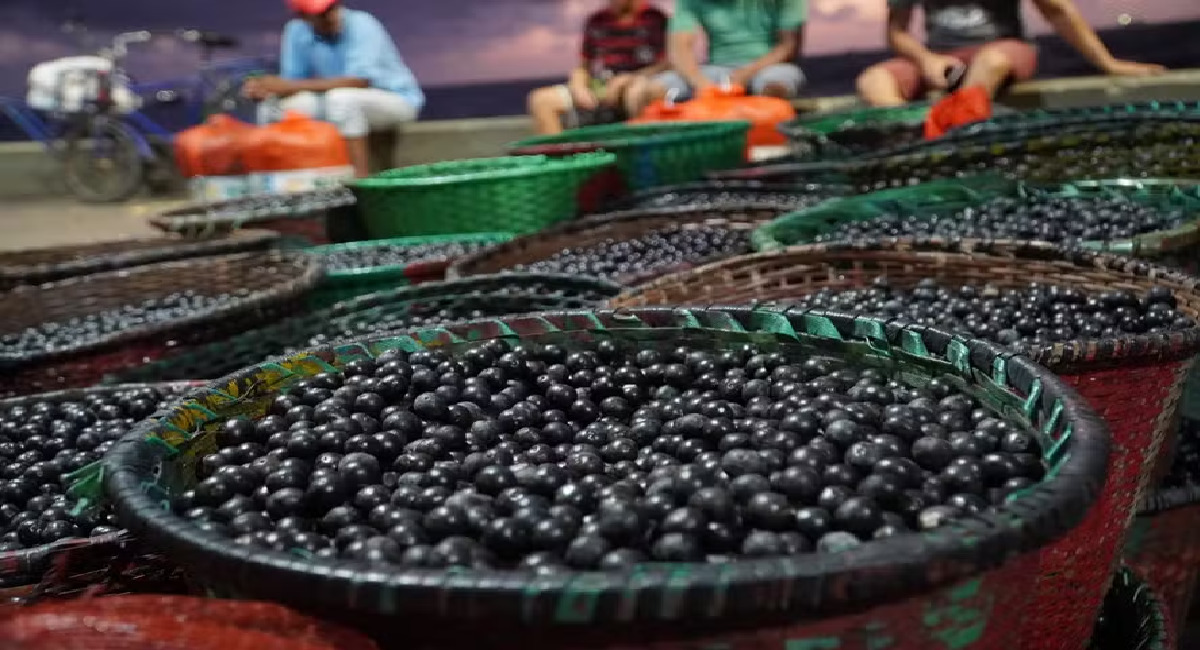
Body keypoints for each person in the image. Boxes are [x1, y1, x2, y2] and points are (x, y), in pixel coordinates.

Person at [855, 0, 1166, 107]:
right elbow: (896, 31)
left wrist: (1108, 64)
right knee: (873, 80)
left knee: (991, 62)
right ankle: (908, 140)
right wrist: (926, 61)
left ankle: (952, 136)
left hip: (1004, 48)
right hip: (940, 56)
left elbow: (1057, 11)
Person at [244, 0, 424, 177]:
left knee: (342, 99)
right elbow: (292, 81)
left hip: (396, 100)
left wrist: (287, 85)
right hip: (335, 101)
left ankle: (359, 181)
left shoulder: (362, 23)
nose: (331, 16)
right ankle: (272, 182)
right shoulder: (296, 30)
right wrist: (266, 88)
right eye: (321, 13)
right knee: (271, 106)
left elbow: (359, 81)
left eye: (332, 7)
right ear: (303, 17)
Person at [527, 1, 669, 135]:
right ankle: (561, 152)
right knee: (541, 100)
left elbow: (666, 63)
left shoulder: (656, 19)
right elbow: (583, 66)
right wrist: (579, 87)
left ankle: (635, 150)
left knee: (638, 94)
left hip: (640, 83)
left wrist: (629, 79)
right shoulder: (596, 21)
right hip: (603, 85)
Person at [649, 0, 807, 101]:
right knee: (651, 89)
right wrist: (704, 86)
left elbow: (789, 46)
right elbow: (679, 50)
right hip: (716, 71)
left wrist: (745, 74)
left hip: (769, 67)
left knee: (775, 84)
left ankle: (769, 133)